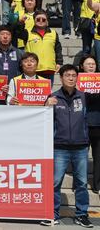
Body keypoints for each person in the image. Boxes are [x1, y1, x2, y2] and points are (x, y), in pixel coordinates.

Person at [42, 65, 93, 228]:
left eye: (73, 75)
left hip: (81, 146)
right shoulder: (53, 97)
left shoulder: (84, 97)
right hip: (59, 147)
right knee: (55, 182)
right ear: (61, 78)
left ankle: (81, 215)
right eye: (67, 75)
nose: (71, 78)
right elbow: (43, 118)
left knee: (82, 183)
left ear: (77, 78)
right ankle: (52, 214)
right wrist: (46, 105)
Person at [78, 55, 100, 194]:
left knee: (98, 156)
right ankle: (80, 184)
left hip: (98, 123)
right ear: (82, 66)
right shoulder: (75, 81)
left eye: (93, 64)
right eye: (88, 63)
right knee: (81, 157)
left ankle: (97, 185)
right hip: (82, 124)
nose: (91, 66)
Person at [24, 10, 63, 82]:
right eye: (38, 19)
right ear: (34, 20)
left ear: (47, 21)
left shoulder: (53, 33)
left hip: (49, 70)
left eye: (43, 19)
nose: (41, 21)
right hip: (33, 70)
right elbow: (15, 31)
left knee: (48, 90)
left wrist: (59, 63)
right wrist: (21, 23)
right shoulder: (27, 33)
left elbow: (58, 49)